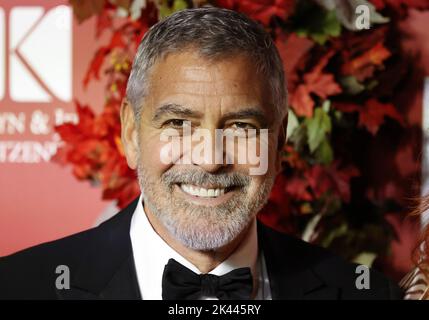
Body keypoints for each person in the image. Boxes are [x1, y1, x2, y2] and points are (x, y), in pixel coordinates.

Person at [0, 7, 402, 300]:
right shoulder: (18, 287)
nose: (210, 159)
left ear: (279, 143)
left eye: (242, 128)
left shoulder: (364, 294)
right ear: (131, 133)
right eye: (178, 124)